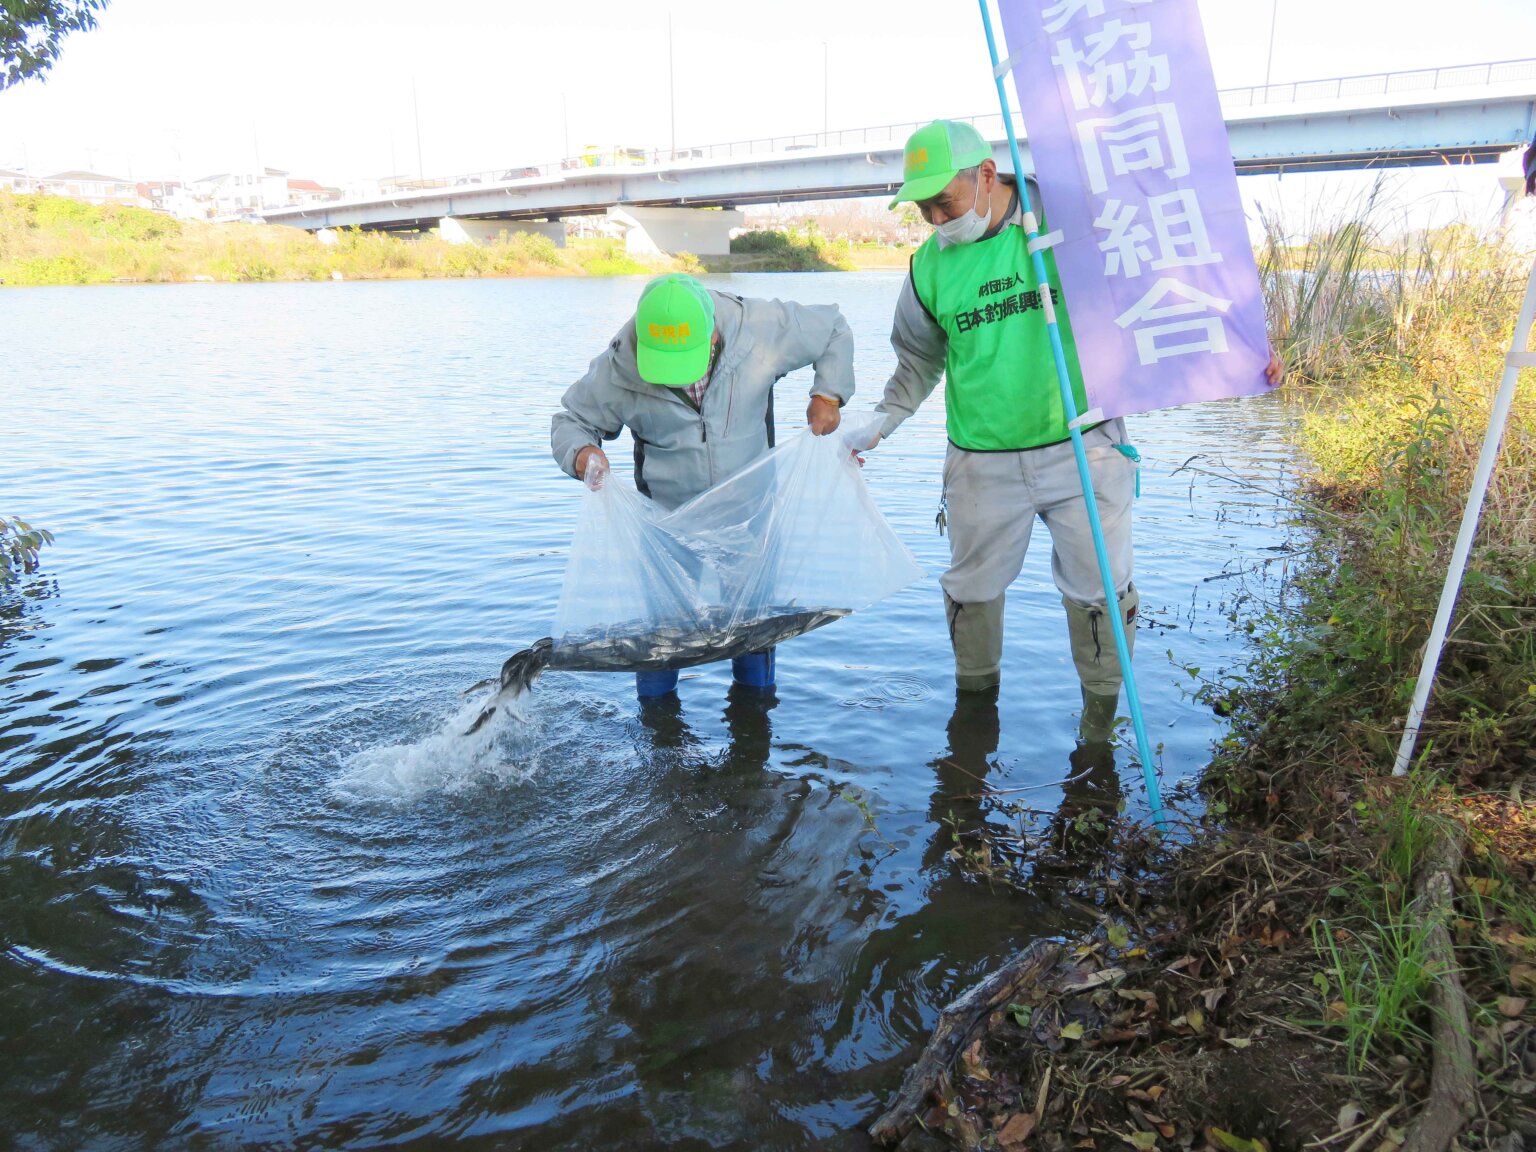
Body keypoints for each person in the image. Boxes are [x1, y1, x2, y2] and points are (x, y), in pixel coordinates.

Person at [870, 120, 1283, 739]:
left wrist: (1243, 346)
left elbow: (1167, 282)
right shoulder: (928, 268)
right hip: (980, 461)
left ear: (987, 175)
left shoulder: (1078, 224)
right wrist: (875, 426)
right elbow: (917, 361)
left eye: (943, 202)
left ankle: (1099, 731)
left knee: (1099, 594)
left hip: (1084, 447)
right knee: (971, 591)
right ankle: (975, 716)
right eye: (923, 207)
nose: (934, 218)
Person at [551, 272, 855, 699]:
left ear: (712, 333)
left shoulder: (759, 327)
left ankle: (754, 719)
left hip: (750, 519)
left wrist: (829, 393)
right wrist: (583, 454)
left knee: (753, 632)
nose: (674, 378)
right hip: (668, 525)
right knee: (662, 638)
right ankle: (658, 729)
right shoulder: (621, 363)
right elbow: (571, 420)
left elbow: (834, 328)